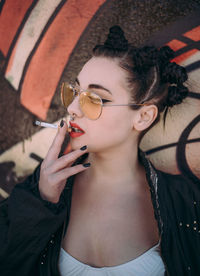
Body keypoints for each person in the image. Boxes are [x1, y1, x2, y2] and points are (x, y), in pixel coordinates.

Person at [0, 26, 199, 276]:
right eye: (74, 92)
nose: (73, 108)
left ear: (143, 117)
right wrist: (41, 204)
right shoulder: (44, 188)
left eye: (94, 99)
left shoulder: (186, 201)